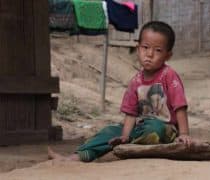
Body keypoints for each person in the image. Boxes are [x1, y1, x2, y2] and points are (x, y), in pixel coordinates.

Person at [48, 21, 193, 162]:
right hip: (138, 128)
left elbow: (179, 106)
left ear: (168, 56)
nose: (149, 54)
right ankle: (78, 156)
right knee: (109, 132)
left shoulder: (168, 75)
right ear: (138, 49)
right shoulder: (135, 81)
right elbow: (131, 113)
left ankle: (132, 143)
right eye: (145, 47)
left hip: (164, 128)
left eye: (158, 50)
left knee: (155, 127)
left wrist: (184, 134)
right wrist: (124, 135)